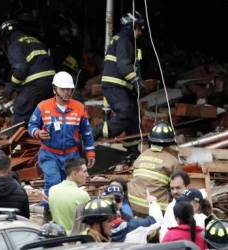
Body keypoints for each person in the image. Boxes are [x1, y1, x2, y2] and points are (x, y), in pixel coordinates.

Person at [28, 71, 95, 219]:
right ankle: (49, 212)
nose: (67, 92)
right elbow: (31, 125)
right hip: (49, 154)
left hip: (71, 155)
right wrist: (38, 133)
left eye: (69, 89)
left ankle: (71, 212)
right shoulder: (43, 107)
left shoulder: (79, 108)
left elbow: (87, 133)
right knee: (53, 181)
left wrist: (90, 153)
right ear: (54, 90)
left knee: (71, 184)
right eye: (63, 89)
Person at [94, 11, 156, 140]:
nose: (140, 32)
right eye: (138, 28)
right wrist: (136, 80)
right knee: (126, 112)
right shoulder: (124, 39)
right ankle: (98, 132)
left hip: (121, 85)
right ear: (130, 26)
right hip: (115, 85)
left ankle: (132, 151)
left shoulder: (124, 40)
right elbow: (123, 64)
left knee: (133, 118)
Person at [0, 19, 55, 125]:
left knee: (21, 110)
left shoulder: (15, 44)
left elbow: (21, 69)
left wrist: (10, 87)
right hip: (51, 82)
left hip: (36, 83)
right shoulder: (35, 40)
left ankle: (22, 139)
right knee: (44, 112)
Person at [128, 122, 179, 215]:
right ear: (170, 143)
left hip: (133, 206)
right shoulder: (172, 161)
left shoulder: (142, 155)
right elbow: (179, 187)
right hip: (157, 209)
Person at [49, 157, 90, 235]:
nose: (87, 175)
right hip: (77, 240)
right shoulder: (82, 194)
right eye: (84, 171)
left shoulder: (52, 190)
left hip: (57, 237)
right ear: (74, 174)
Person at [159, 171, 190, 241]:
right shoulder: (170, 207)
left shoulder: (197, 206)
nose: (174, 192)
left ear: (187, 187)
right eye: (172, 188)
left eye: (178, 188)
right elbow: (163, 232)